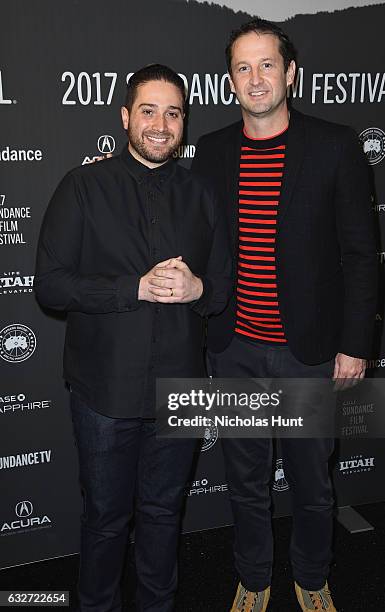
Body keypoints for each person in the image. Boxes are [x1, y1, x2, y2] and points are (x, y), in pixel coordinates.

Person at [190, 19, 377, 612]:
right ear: (230, 81)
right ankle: (253, 575)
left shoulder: (335, 145)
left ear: (291, 73)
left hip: (308, 352)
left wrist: (355, 344)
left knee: (312, 484)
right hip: (236, 347)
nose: (255, 78)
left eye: (267, 64)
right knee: (245, 483)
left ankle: (313, 575)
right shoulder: (214, 152)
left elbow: (360, 254)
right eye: (243, 67)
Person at [34, 63, 231, 612]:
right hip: (104, 392)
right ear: (125, 117)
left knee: (166, 515)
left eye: (173, 113)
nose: (161, 124)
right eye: (149, 110)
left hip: (181, 388)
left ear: (184, 123)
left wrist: (200, 290)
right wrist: (133, 288)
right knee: (105, 520)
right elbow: (49, 285)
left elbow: (225, 287)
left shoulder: (203, 193)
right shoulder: (83, 186)